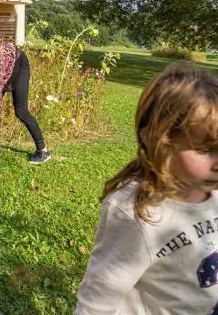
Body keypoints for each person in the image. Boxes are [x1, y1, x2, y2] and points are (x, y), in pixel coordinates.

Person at [76, 62, 218, 314]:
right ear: (156, 138)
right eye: (205, 150)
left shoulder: (212, 191)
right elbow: (97, 302)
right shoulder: (135, 211)